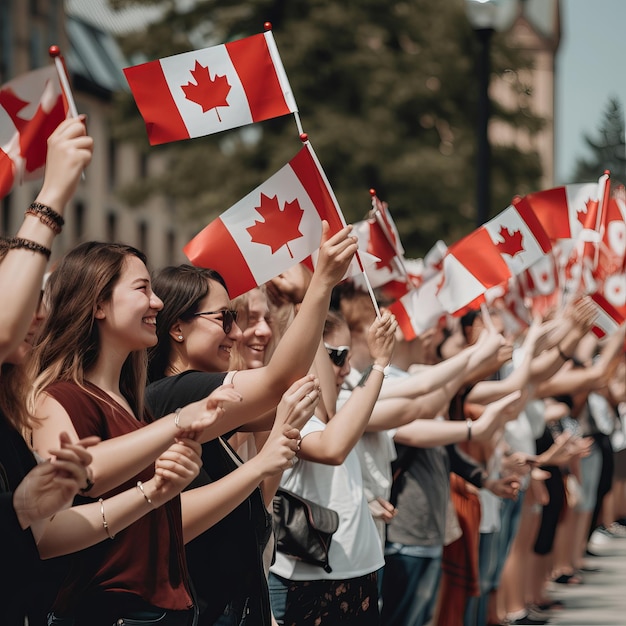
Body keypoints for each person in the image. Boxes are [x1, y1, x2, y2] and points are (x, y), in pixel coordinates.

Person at [28, 239, 303, 626]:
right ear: (98, 304)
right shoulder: (59, 398)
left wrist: (158, 492)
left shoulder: (132, 403)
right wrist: (173, 436)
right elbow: (53, 526)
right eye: (142, 289)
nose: (157, 302)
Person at [144, 226, 357, 626]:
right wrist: (321, 283)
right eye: (225, 319)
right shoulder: (179, 392)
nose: (238, 333)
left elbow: (303, 394)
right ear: (176, 328)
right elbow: (284, 382)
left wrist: (272, 446)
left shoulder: (194, 397)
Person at [269, 308, 397, 625]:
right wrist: (379, 365)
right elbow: (333, 449)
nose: (345, 368)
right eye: (336, 356)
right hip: (308, 579)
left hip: (358, 570)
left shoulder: (332, 410)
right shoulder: (292, 410)